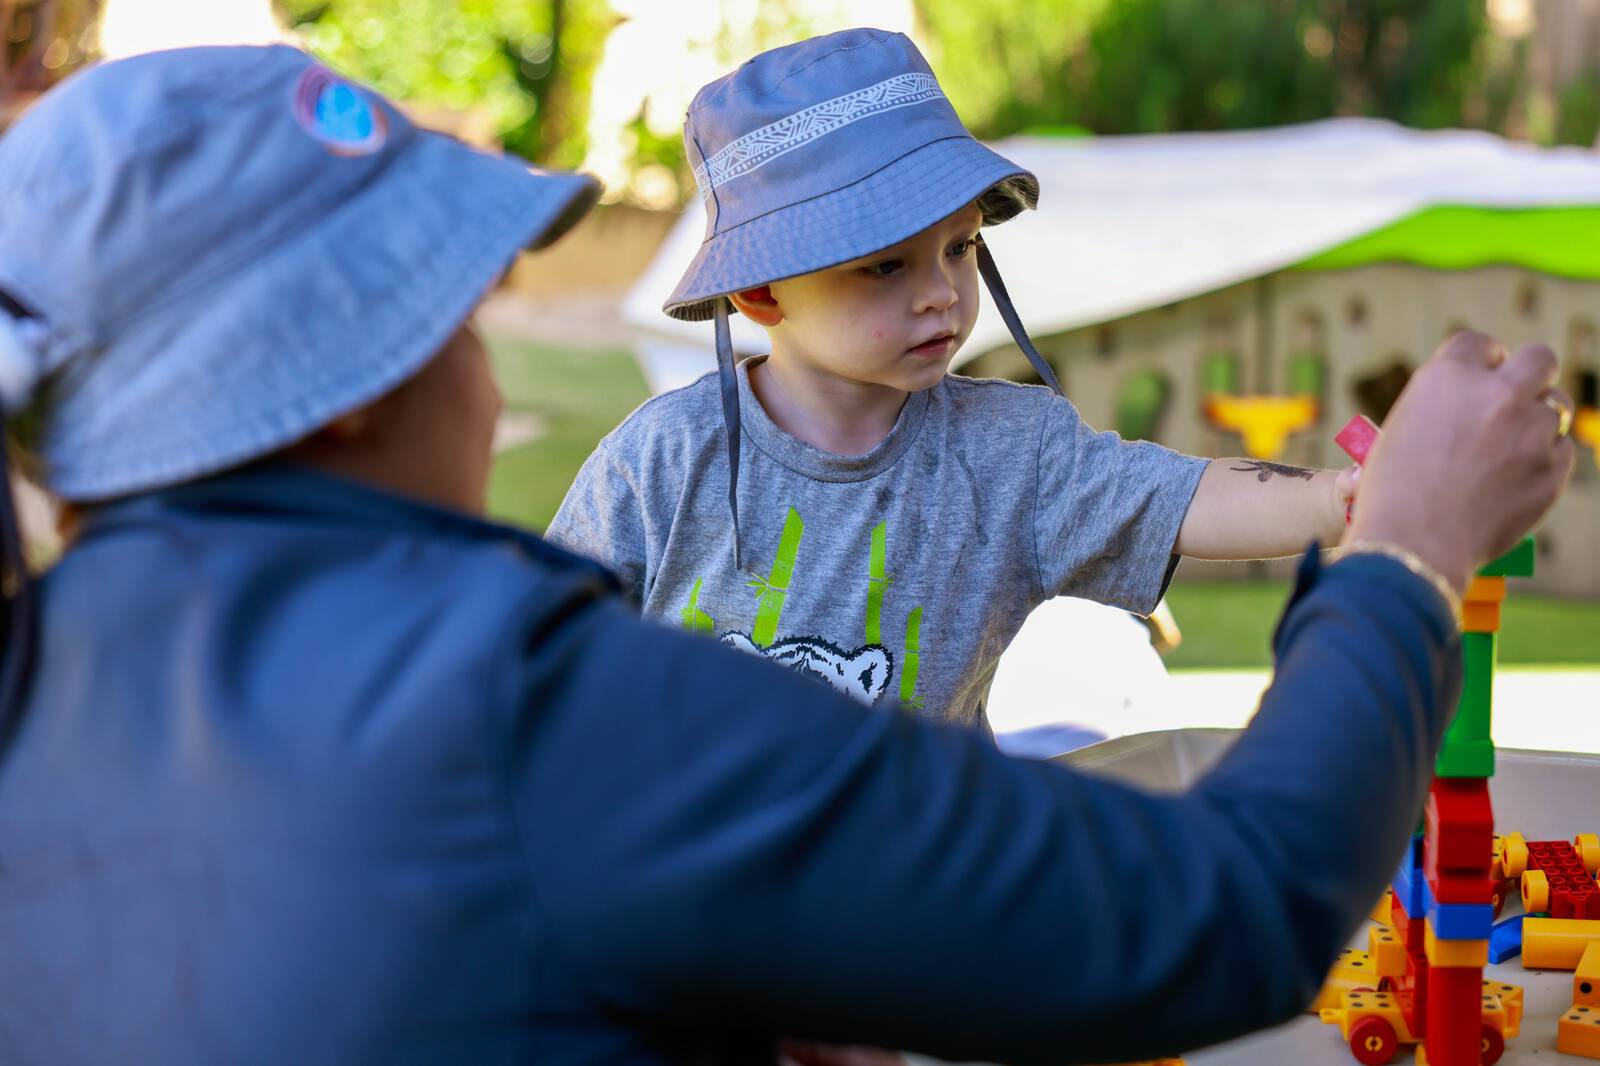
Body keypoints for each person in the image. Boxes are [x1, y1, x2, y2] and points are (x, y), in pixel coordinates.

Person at [0, 45, 1575, 1066]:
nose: (486, 366)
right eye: (459, 311)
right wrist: (1413, 555)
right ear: (346, 393)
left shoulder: (53, 686)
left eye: (958, 250)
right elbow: (1221, 914)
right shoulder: (531, 707)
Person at [546, 28, 1359, 724]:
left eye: (960, 247)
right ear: (761, 291)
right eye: (885, 266)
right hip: (693, 899)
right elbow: (532, 662)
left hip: (925, 898)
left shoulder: (1011, 453)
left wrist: (1341, 499)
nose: (941, 294)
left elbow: (1185, 497)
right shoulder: (657, 462)